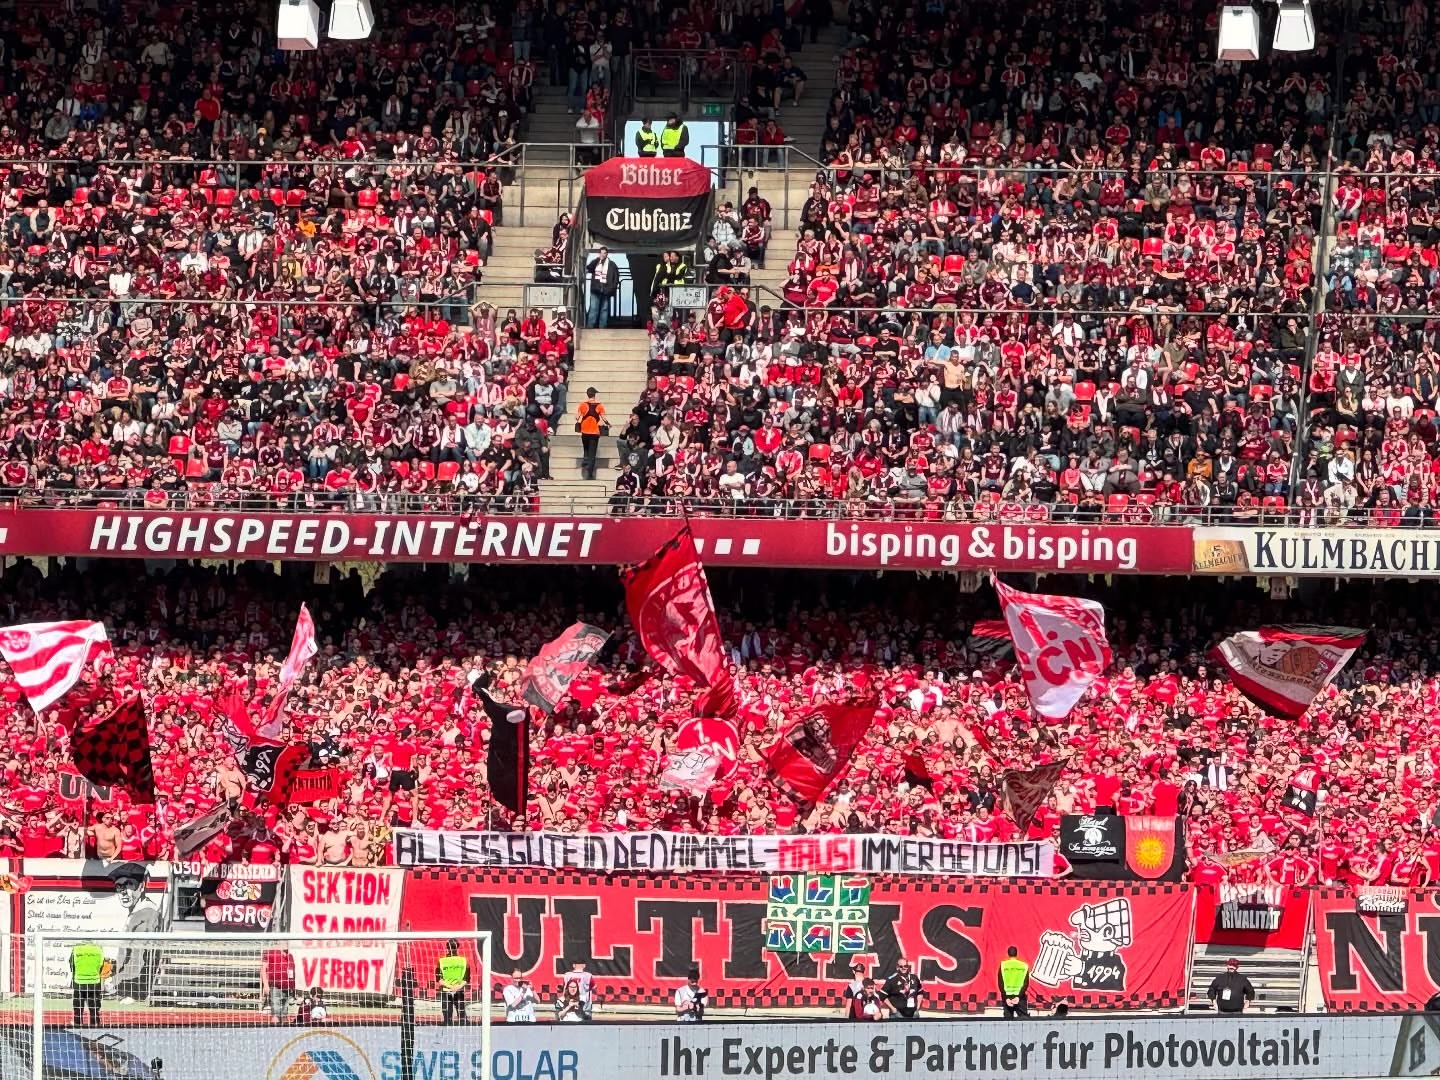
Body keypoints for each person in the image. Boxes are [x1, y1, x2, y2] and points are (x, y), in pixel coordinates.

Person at [70, 939, 105, 1027]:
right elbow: (101, 964)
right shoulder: (99, 949)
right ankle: (95, 1024)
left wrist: (76, 974)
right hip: (94, 981)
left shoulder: (76, 949)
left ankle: (77, 1023)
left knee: (78, 1007)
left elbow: (71, 964)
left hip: (79, 981)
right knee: (94, 1007)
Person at [435, 938, 470, 1025]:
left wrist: (450, 987)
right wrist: (456, 987)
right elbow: (467, 979)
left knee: (447, 1019)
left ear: (447, 947)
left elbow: (439, 979)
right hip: (458, 990)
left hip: (447, 991)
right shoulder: (464, 961)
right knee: (462, 1018)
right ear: (457, 947)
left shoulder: (441, 961)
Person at [575, 389, 607, 480]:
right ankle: (590, 474)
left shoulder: (583, 405)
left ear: (587, 394)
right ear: (594, 395)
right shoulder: (599, 406)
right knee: (592, 454)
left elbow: (577, 417)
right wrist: (608, 423)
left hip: (584, 431)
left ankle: (585, 458)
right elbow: (604, 418)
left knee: (586, 447)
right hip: (594, 432)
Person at [260, 946, 296, 1023]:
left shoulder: (290, 956)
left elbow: (292, 971)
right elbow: (263, 969)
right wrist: (265, 984)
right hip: (275, 987)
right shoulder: (271, 953)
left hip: (287, 988)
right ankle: (274, 1031)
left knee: (284, 1013)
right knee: (276, 1013)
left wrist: (293, 987)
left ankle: (284, 1032)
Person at [585, 247, 619, 329]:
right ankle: (590, 327)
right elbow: (589, 268)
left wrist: (612, 288)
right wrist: (597, 260)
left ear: (607, 254)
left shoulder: (612, 264)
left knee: (604, 309)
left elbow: (616, 277)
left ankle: (602, 327)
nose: (603, 255)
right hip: (595, 289)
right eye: (601, 253)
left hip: (606, 289)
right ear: (599, 254)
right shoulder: (596, 262)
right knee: (593, 308)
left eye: (604, 253)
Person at [998, 945, 1030, 1019]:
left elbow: (1000, 983)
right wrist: (1018, 997)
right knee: (1024, 1021)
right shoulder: (1024, 966)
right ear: (1016, 954)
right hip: (1020, 997)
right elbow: (1026, 983)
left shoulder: (1003, 965)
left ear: (1008, 954)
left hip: (1007, 997)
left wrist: (1006, 998)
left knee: (1008, 1022)